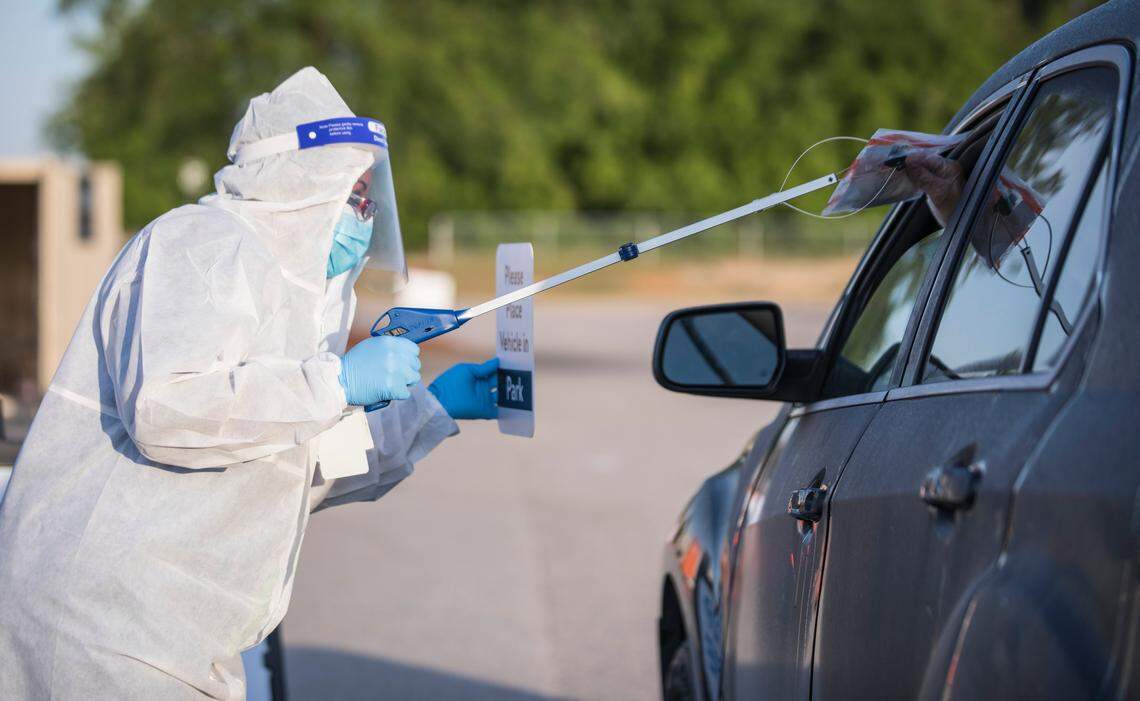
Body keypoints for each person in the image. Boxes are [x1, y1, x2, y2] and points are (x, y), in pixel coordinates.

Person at [0, 67, 497, 699]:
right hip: (101, 623)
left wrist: (429, 408)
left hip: (166, 635)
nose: (365, 215)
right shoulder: (202, 245)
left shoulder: (295, 303)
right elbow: (169, 409)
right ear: (297, 183)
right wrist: (337, 382)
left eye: (371, 198)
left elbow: (293, 468)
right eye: (354, 194)